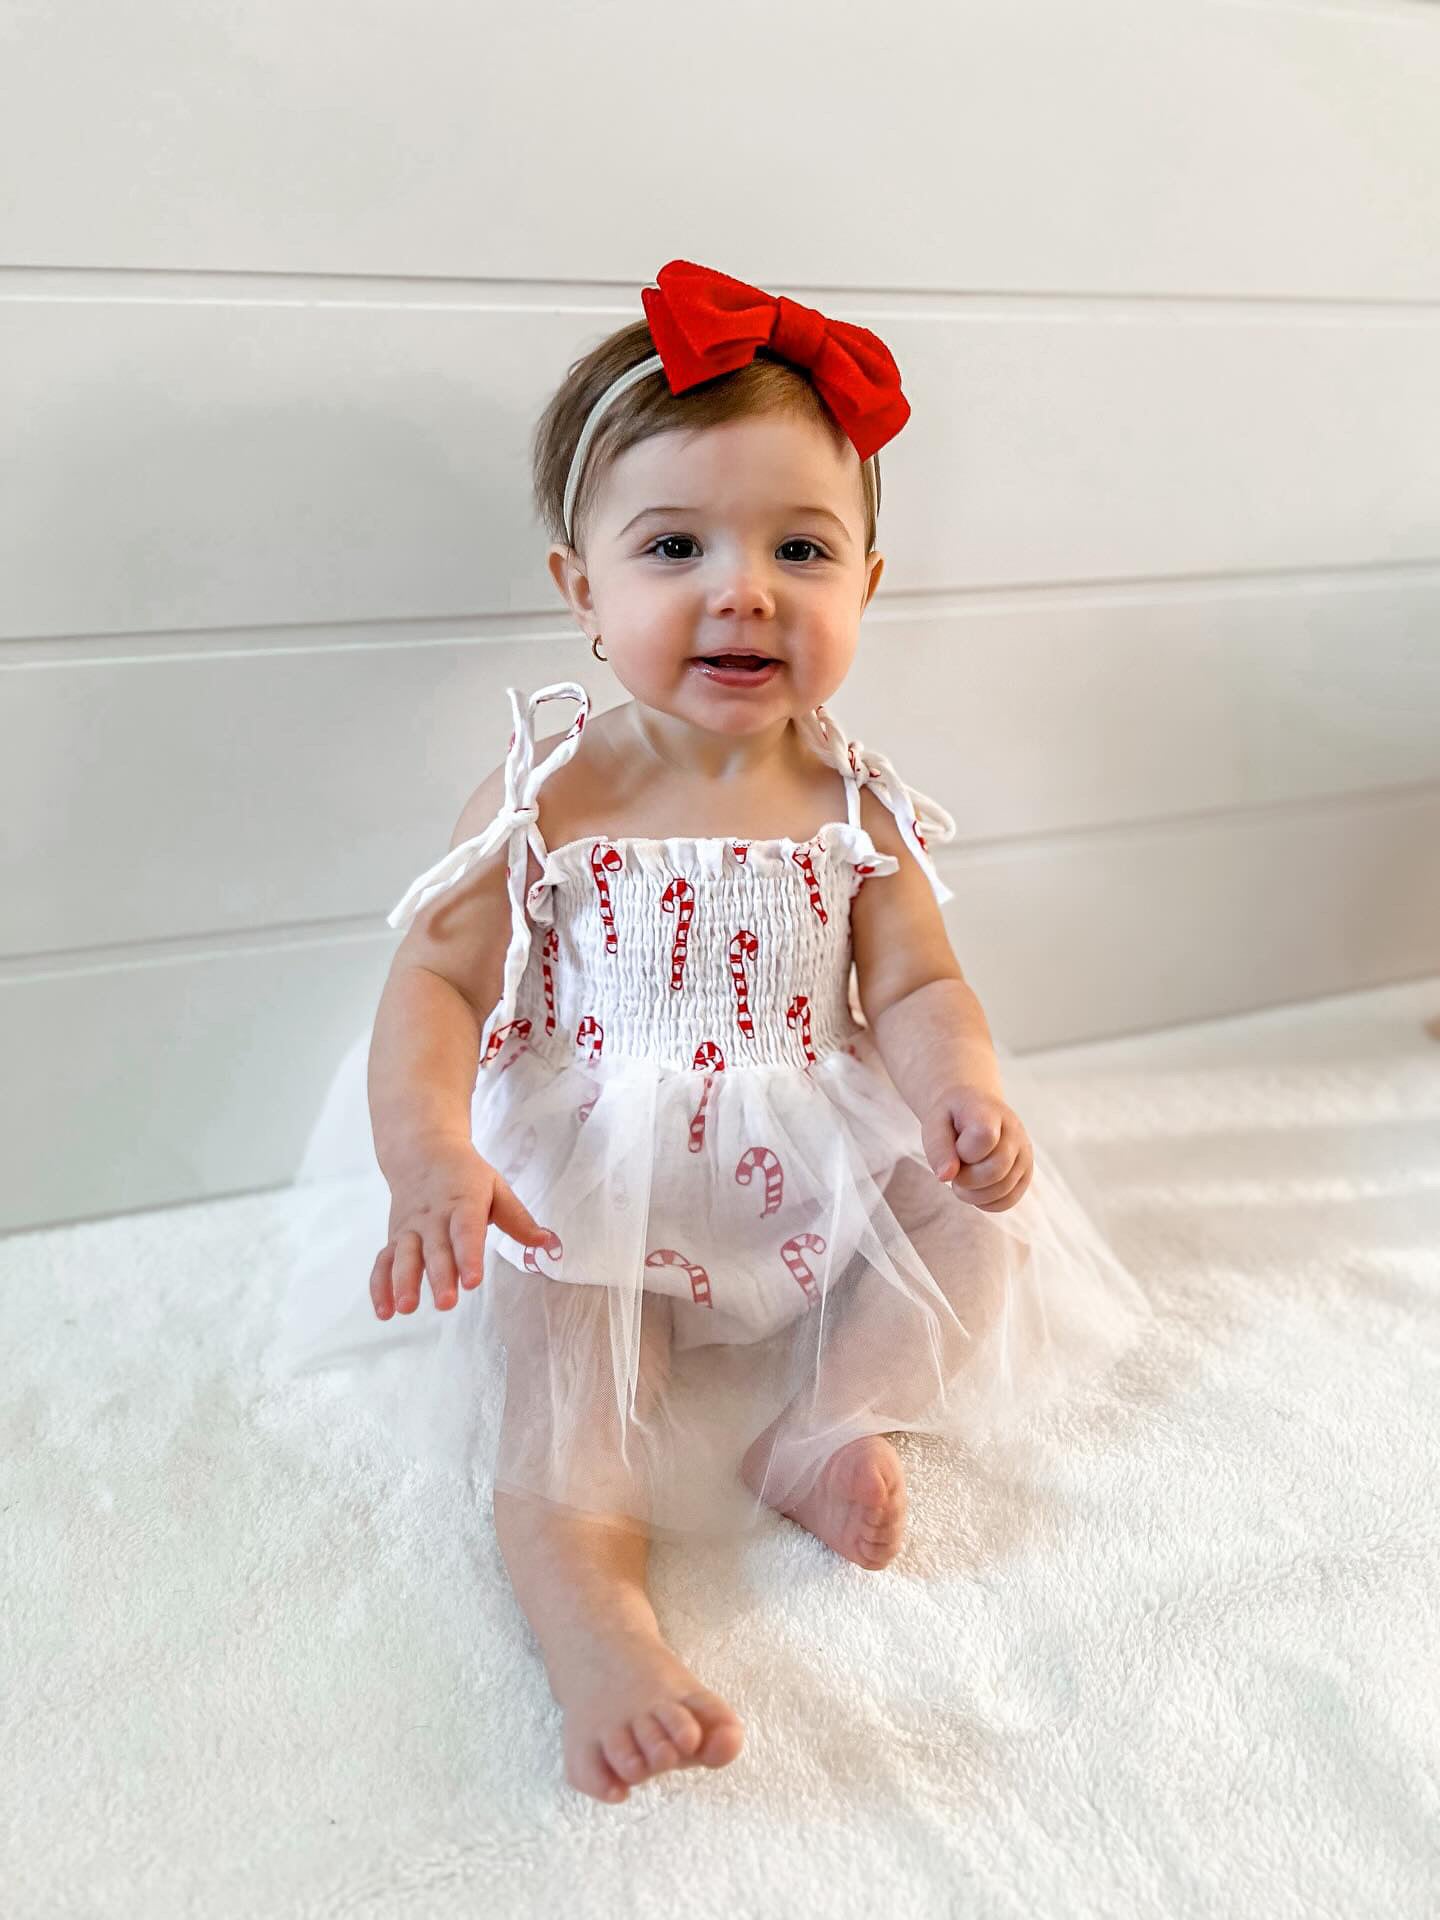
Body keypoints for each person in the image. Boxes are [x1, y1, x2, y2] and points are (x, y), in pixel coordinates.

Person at [261, 257, 1154, 1806]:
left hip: (808, 1158)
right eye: (675, 544)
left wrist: (964, 1096)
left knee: (975, 1228)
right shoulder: (552, 795)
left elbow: (923, 989)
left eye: (800, 547)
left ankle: (815, 1428)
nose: (742, 587)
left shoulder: (855, 803)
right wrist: (432, 1160)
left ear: (864, 588)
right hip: (593, 1182)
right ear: (581, 590)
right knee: (558, 1408)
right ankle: (597, 1623)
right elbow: (439, 984)